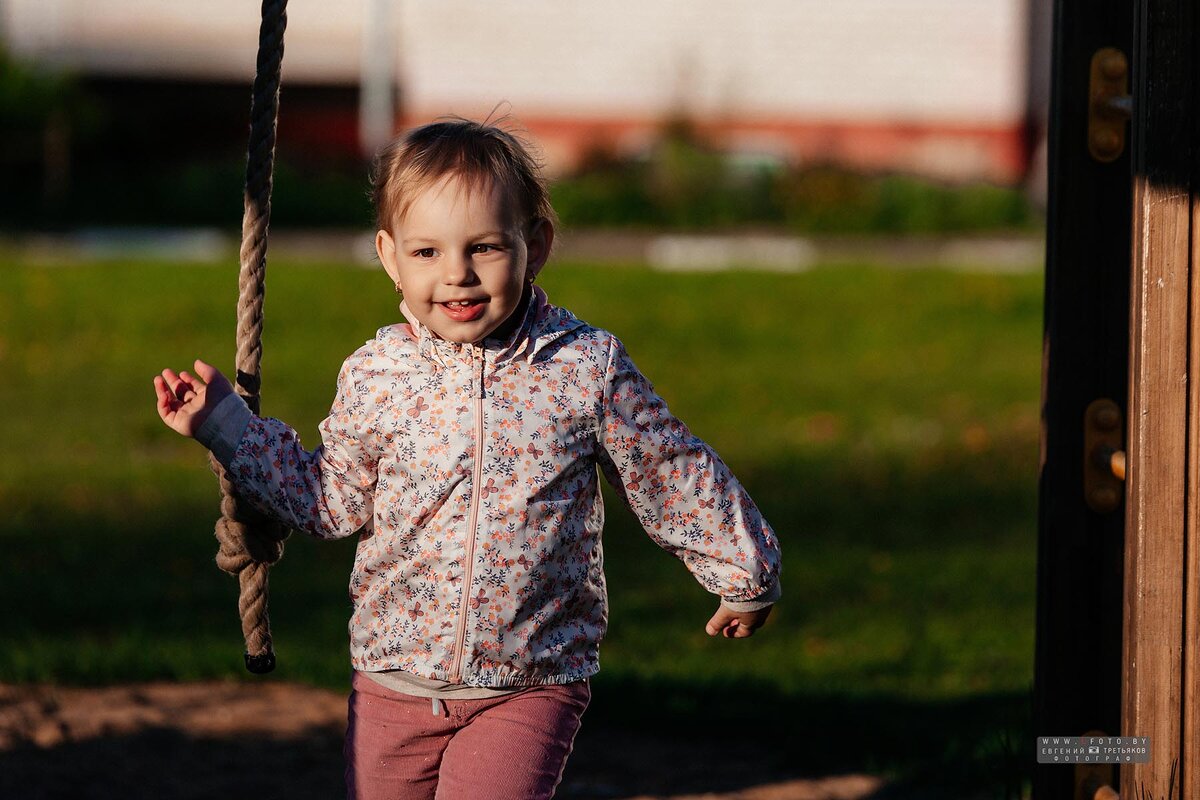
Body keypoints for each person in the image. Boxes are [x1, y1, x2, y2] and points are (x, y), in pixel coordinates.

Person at [152, 118, 782, 800]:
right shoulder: (378, 373)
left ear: (533, 244)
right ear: (389, 256)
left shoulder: (581, 365)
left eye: (482, 246)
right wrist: (224, 426)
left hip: (529, 681)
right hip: (392, 678)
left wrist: (743, 570)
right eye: (427, 252)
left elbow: (667, 467)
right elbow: (329, 501)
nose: (457, 273)